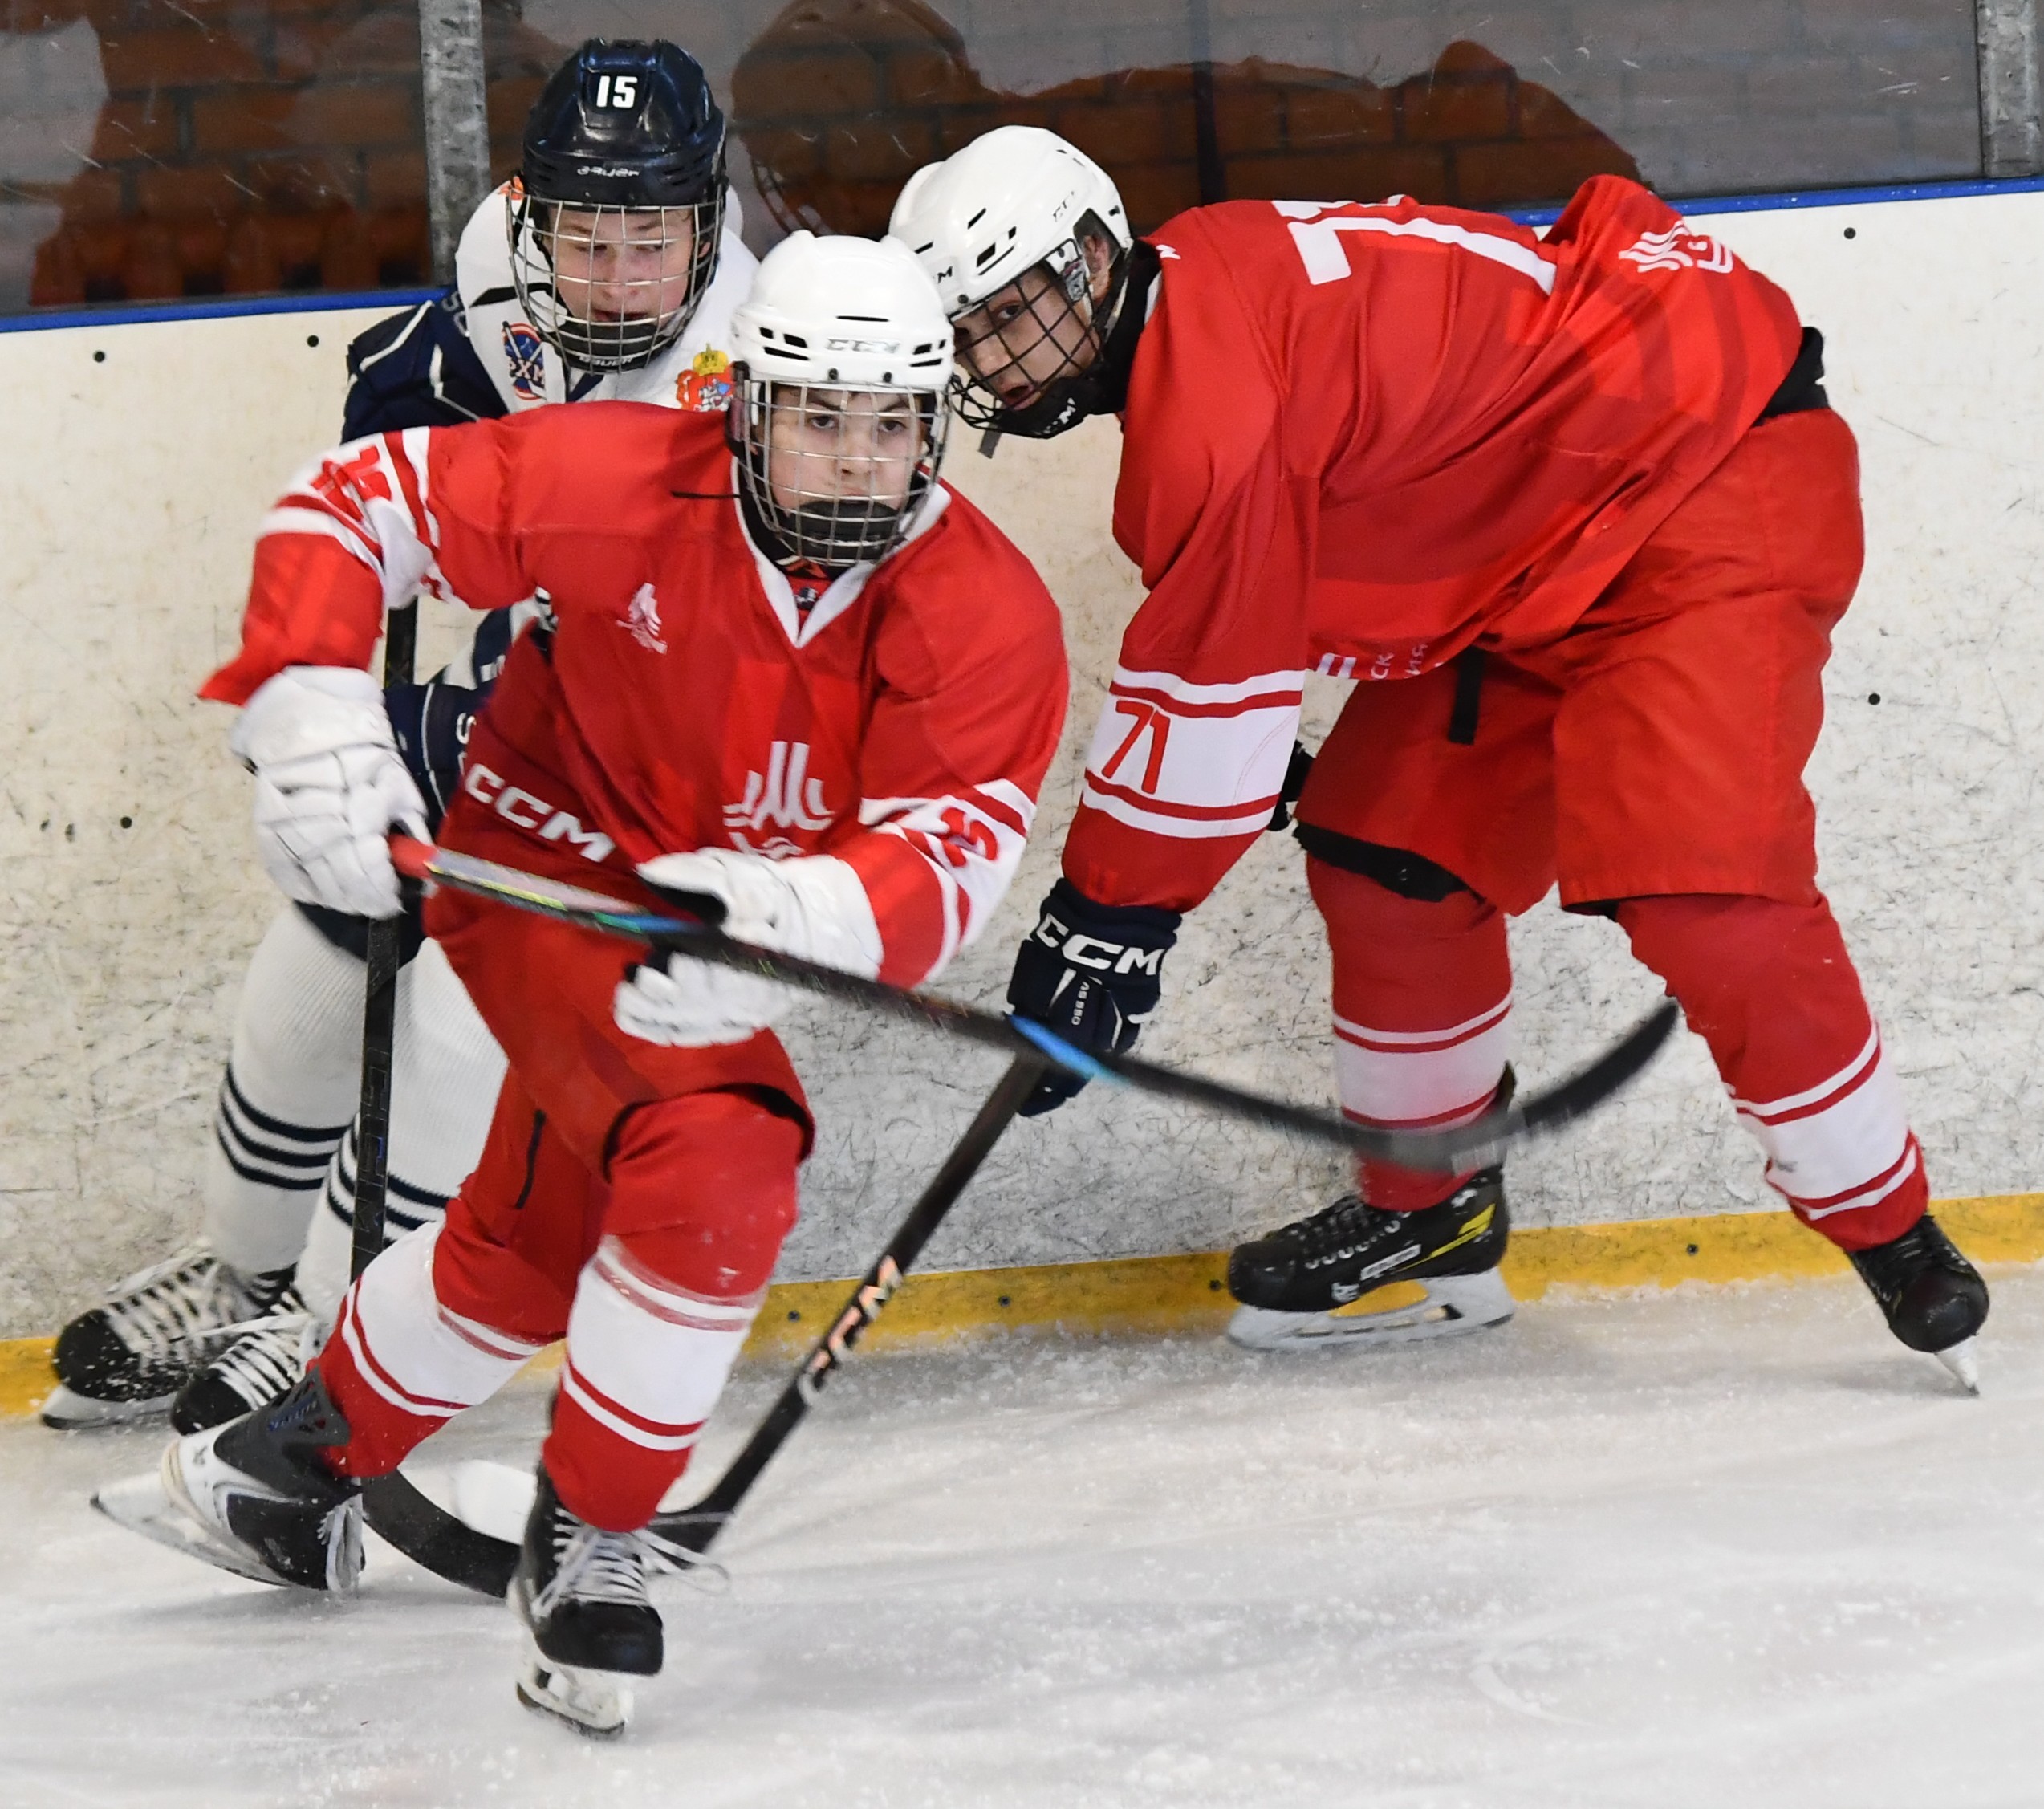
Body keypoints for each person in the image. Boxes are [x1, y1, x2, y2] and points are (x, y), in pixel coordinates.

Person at [93, 230, 1068, 1736]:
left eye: (896, 424)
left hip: (732, 918)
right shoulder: (620, 479)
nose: (861, 462)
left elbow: (946, 857)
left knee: (532, 1243)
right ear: (746, 404)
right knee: (724, 1158)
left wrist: (784, 915)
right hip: (540, 865)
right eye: (820, 416)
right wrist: (313, 707)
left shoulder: (988, 612)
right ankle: (593, 1540)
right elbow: (351, 505)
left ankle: (283, 1467)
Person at [888, 125, 1988, 1376]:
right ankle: (1433, 1208)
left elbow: (1204, 692)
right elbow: (1296, 575)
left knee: (1707, 890)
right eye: (964, 330)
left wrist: (1095, 939)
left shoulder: (1203, 405)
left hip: (1700, 469)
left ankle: (1889, 1224)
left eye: (1008, 310)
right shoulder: (1200, 275)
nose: (989, 354)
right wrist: (1226, 785)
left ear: (1091, 261)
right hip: (1540, 532)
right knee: (1385, 858)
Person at [43, 38, 757, 1433]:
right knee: (328, 926)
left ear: (709, 228)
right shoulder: (509, 268)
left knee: (465, 1008)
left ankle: (325, 1320)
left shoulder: (757, 362)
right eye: (585, 239)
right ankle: (246, 1284)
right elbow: (412, 421)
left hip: (671, 768)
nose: (611, 279)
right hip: (523, 696)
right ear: (533, 212)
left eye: (647, 243)